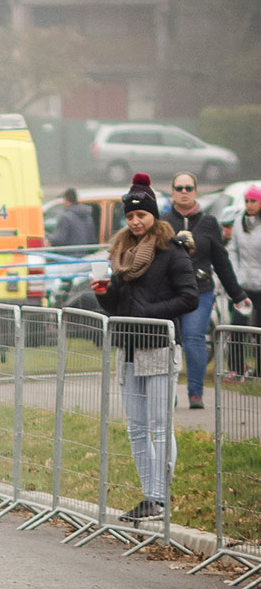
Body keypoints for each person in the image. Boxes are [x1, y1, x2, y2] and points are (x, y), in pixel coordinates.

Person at [93, 173, 197, 523]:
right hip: (129, 349)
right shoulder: (122, 253)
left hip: (159, 346)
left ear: (154, 215)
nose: (136, 222)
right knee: (136, 427)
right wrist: (103, 293)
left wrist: (150, 314)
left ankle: (159, 497)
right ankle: (149, 496)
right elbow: (117, 305)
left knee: (158, 424)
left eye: (142, 215)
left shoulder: (171, 251)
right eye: (131, 217)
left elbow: (190, 297)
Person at [160, 172, 251, 408]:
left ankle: (196, 393)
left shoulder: (209, 223)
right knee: (170, 340)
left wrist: (237, 294)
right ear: (172, 192)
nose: (183, 192)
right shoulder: (163, 223)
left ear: (195, 191)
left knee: (194, 338)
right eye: (179, 188)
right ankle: (170, 391)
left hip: (200, 290)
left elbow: (221, 261)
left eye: (188, 188)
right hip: (169, 292)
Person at [225, 184, 261, 380]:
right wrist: (235, 276)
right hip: (242, 286)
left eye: (253, 201)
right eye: (247, 201)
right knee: (238, 327)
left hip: (260, 286)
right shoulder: (239, 223)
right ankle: (237, 369)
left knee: (259, 331)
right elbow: (233, 250)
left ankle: (259, 371)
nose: (249, 204)